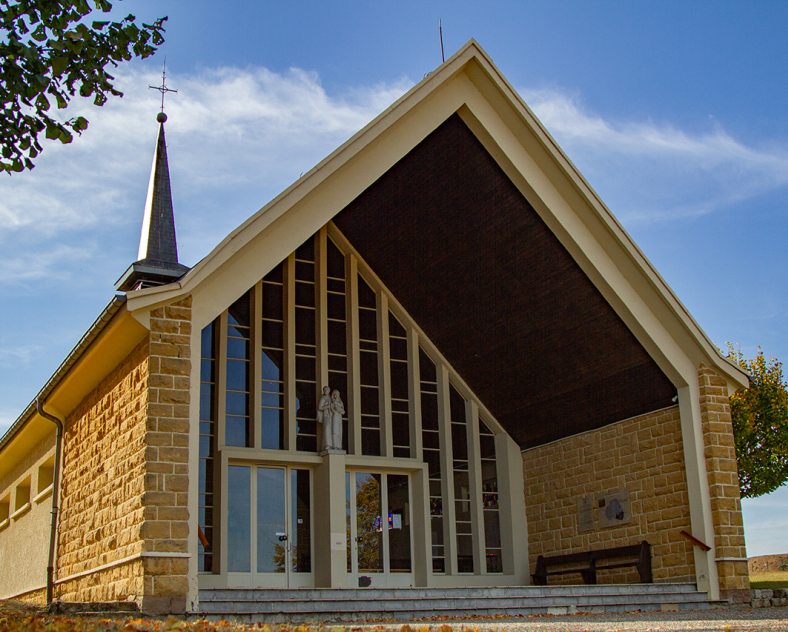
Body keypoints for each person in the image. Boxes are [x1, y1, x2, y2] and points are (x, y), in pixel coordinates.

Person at [317, 386, 332, 450]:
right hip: (326, 415)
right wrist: (327, 406)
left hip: (331, 415)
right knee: (327, 428)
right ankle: (327, 444)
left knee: (332, 429)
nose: (326, 391)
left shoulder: (331, 398)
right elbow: (320, 407)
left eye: (327, 390)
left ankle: (332, 444)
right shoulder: (323, 398)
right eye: (325, 390)